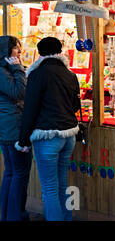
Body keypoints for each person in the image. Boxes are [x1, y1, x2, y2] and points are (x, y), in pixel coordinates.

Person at [17, 37, 81, 221]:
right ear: (60, 51)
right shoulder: (70, 74)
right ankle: (66, 218)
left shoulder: (37, 74)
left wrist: (23, 140)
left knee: (50, 188)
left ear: (40, 53)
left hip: (47, 136)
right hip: (69, 135)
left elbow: (30, 110)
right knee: (63, 184)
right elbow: (75, 106)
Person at [0, 36, 30, 221]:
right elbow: (19, 92)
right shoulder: (3, 71)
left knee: (11, 172)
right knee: (19, 173)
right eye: (16, 49)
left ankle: (7, 215)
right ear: (7, 51)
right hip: (13, 127)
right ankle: (16, 216)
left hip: (8, 126)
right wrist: (18, 68)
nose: (20, 52)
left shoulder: (5, 70)